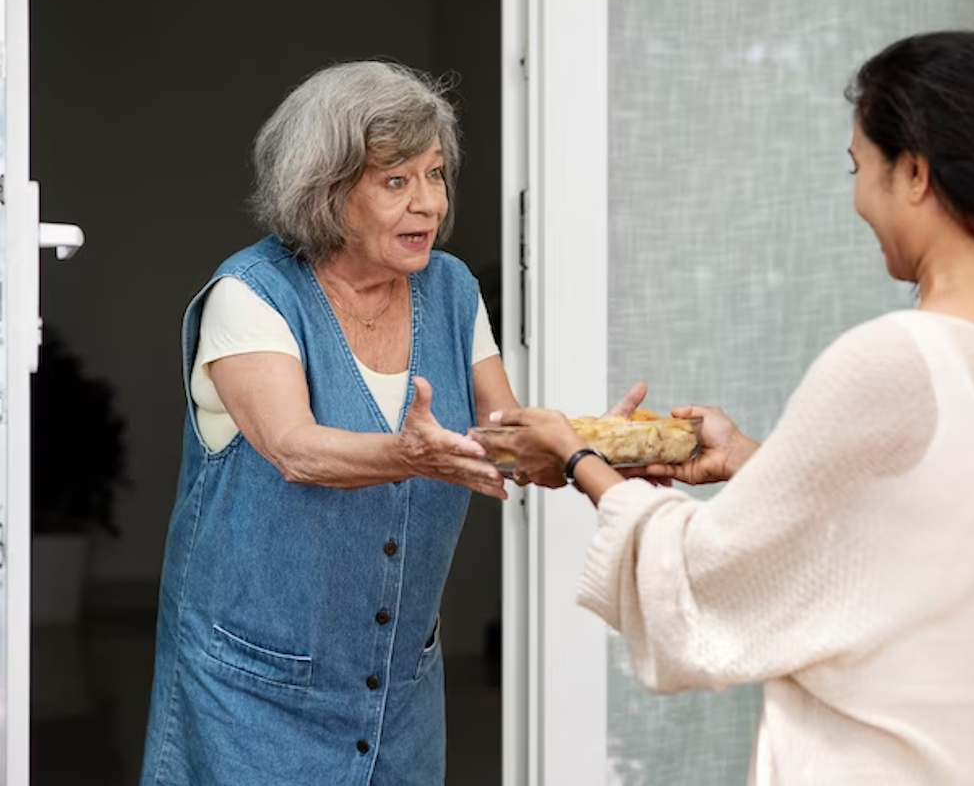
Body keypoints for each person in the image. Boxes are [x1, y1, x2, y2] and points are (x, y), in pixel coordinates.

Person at [482, 31, 974, 784]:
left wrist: (578, 458)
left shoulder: (896, 357)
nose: (856, 198)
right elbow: (921, 527)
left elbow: (710, 576)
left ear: (913, 172)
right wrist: (752, 461)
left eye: (859, 168)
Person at [139, 60, 644, 786]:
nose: (429, 204)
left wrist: (591, 451)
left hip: (398, 692)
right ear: (326, 191)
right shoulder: (251, 296)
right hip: (250, 696)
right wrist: (410, 453)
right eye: (396, 181)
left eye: (435, 175)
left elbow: (501, 440)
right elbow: (295, 448)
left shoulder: (451, 288)